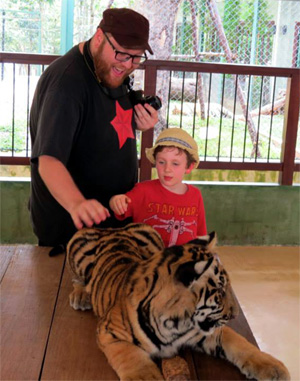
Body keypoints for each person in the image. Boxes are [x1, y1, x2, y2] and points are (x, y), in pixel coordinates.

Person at [29, 8, 158, 248]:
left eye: (137, 57)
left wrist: (138, 124)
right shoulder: (67, 84)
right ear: (99, 37)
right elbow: (48, 160)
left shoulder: (108, 68)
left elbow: (97, 124)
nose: (129, 64)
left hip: (114, 220)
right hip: (74, 232)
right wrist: (77, 203)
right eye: (122, 54)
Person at [109, 128, 207, 247]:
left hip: (183, 263)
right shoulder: (143, 191)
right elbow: (121, 206)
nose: (167, 169)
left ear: (189, 167)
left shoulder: (195, 195)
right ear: (155, 162)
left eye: (175, 163)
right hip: (148, 262)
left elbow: (201, 234)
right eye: (161, 162)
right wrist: (116, 201)